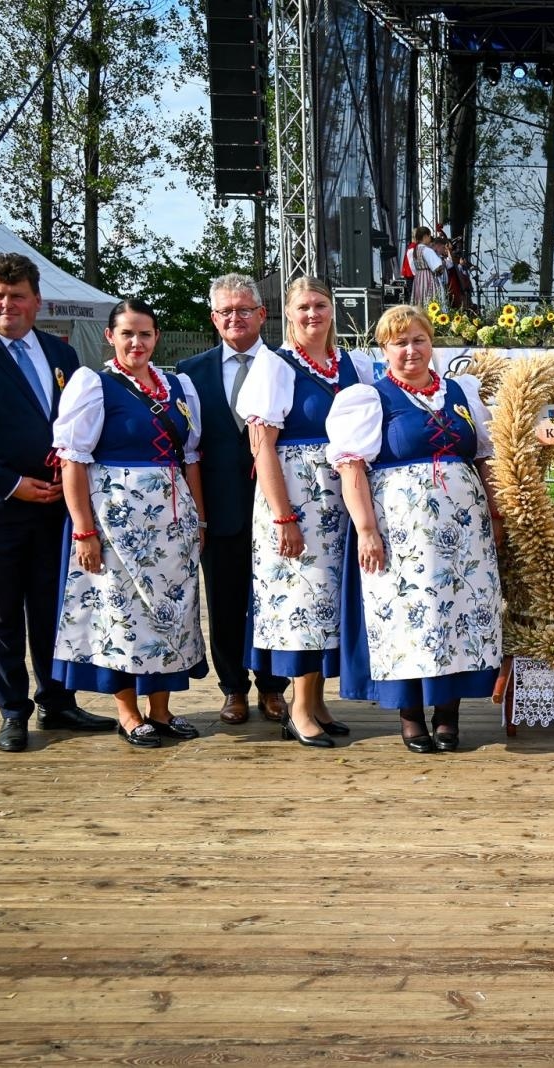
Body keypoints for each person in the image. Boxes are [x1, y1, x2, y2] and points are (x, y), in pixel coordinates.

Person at [0, 252, 116, 752]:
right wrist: (11, 483)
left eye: (16, 296)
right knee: (1, 615)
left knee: (56, 610)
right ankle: (12, 709)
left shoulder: (61, 353)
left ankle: (58, 701)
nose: (6, 305)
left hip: (56, 506)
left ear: (37, 301)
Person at [328, 305, 504, 753]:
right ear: (384, 350)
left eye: (419, 340)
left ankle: (448, 715)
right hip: (402, 532)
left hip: (465, 533)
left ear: (432, 343)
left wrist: (497, 516)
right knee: (410, 616)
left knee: (459, 615)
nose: (410, 350)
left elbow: (484, 458)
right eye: (399, 342)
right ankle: (411, 716)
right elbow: (351, 469)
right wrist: (366, 530)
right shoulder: (371, 398)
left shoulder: (463, 392)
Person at [49, 300, 208, 746]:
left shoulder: (179, 387)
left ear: (156, 337)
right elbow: (73, 461)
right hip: (115, 521)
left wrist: (200, 519)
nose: (136, 342)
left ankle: (161, 710)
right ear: (111, 337)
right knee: (120, 614)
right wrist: (83, 528)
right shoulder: (93, 385)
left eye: (145, 334)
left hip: (173, 525)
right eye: (127, 334)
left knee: (171, 613)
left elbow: (190, 458)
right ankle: (127, 711)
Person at [237, 277, 372, 745]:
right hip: (297, 498)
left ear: (332, 310)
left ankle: (315, 701)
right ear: (287, 315)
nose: (312, 314)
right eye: (302, 307)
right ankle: (298, 709)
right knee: (302, 602)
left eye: (320, 305)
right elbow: (262, 448)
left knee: (327, 604)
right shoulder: (276, 366)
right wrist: (283, 516)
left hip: (340, 501)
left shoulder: (351, 365)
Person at [176, 274, 290, 726]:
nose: (235, 318)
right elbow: (187, 449)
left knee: (275, 599)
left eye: (244, 309)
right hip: (219, 510)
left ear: (262, 314)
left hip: (277, 507)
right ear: (213, 318)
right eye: (226, 311)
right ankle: (233, 689)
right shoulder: (190, 372)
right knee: (224, 602)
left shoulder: (286, 366)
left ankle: (273, 687)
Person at [406, 226, 447, 309]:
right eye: (429, 236)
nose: (430, 238)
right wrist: (443, 264)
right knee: (431, 302)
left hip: (419, 278)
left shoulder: (415, 250)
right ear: (425, 236)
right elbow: (437, 267)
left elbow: (413, 269)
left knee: (420, 301)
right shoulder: (427, 250)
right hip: (428, 278)